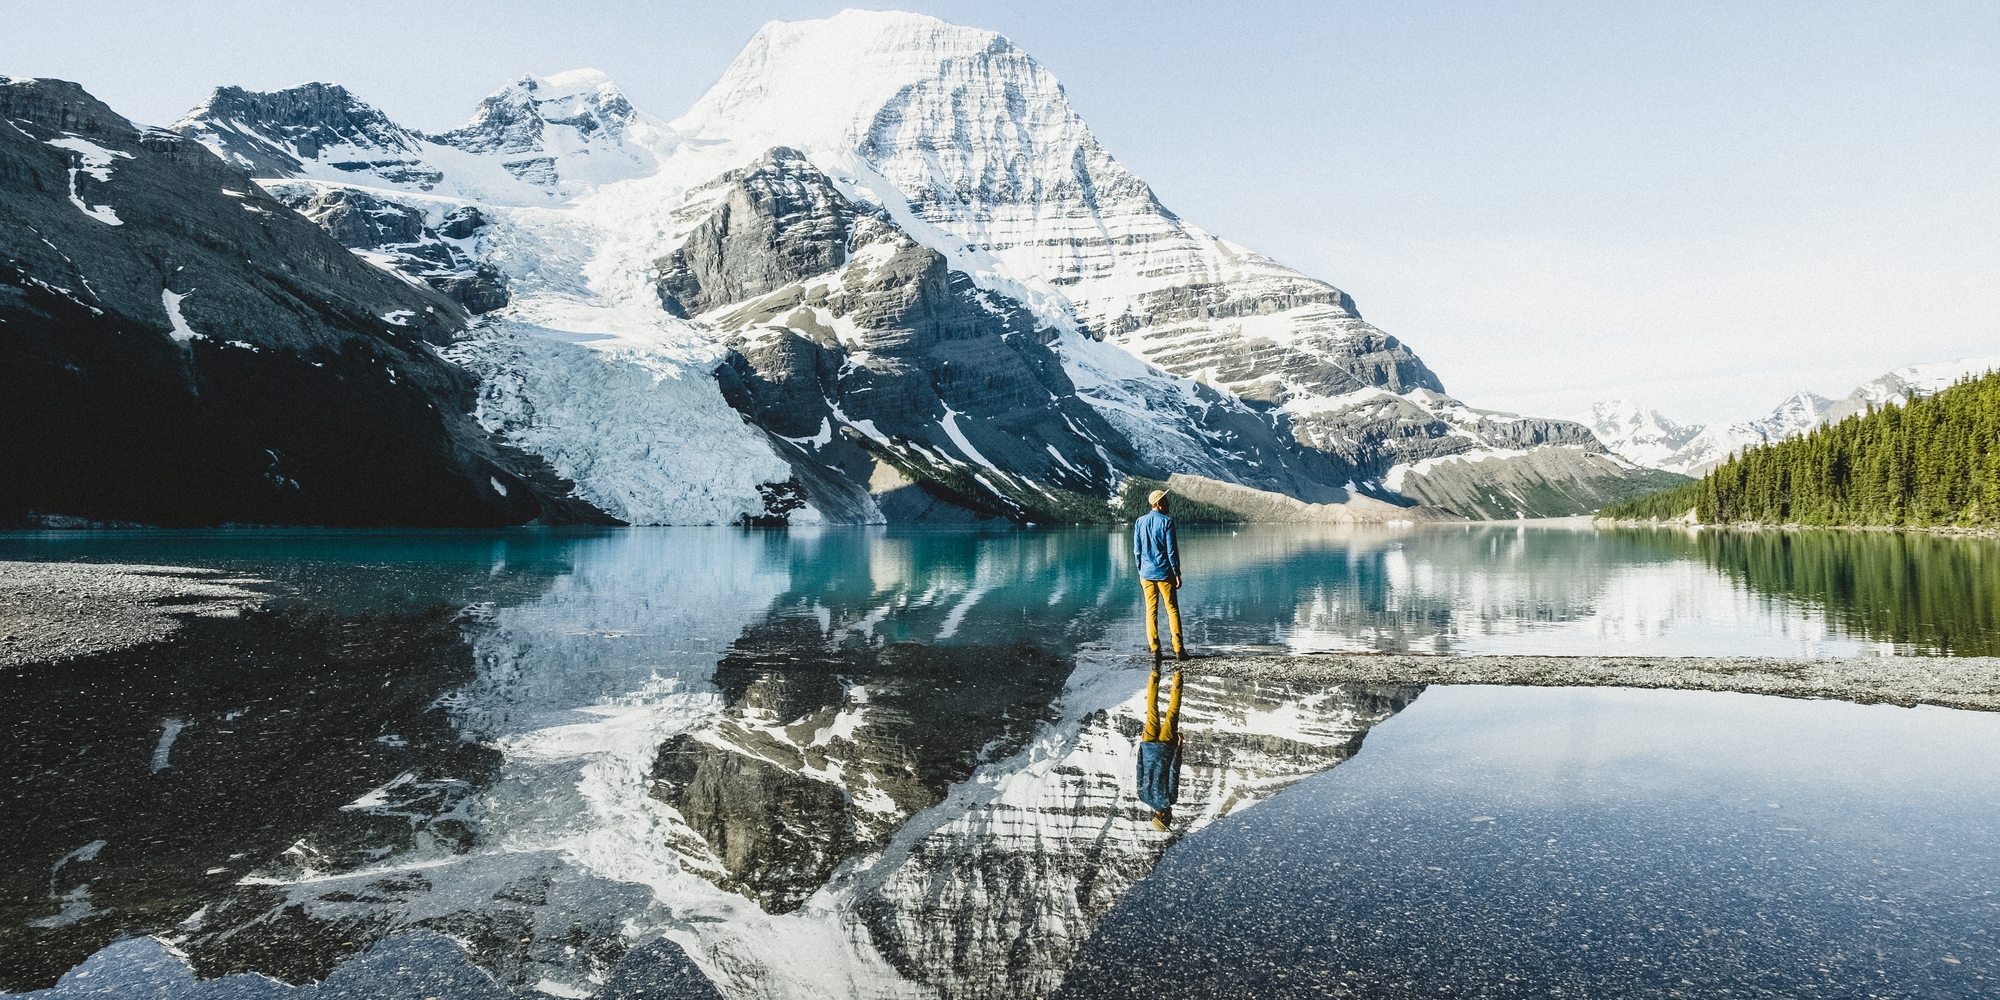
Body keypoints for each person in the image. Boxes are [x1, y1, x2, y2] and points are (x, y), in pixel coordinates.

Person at [1133, 489, 1185, 660]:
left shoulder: (1140, 522)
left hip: (1146, 574)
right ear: (1158, 503)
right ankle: (1178, 650)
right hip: (1164, 573)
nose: (1168, 503)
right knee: (1172, 610)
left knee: (1151, 611)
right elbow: (1171, 552)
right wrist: (1176, 572)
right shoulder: (1167, 522)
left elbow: (1137, 551)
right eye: (1165, 500)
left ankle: (1155, 650)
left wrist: (1141, 569)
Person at [1136, 663, 1183, 830]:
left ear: (1163, 816)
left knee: (1172, 712)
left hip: (1166, 749)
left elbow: (1173, 771)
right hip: (1148, 747)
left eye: (1169, 819)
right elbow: (1139, 768)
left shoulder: (1170, 799)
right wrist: (1141, 746)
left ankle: (1178, 673)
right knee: (1152, 709)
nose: (1171, 816)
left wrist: (1178, 748)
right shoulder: (1142, 796)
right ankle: (1154, 673)